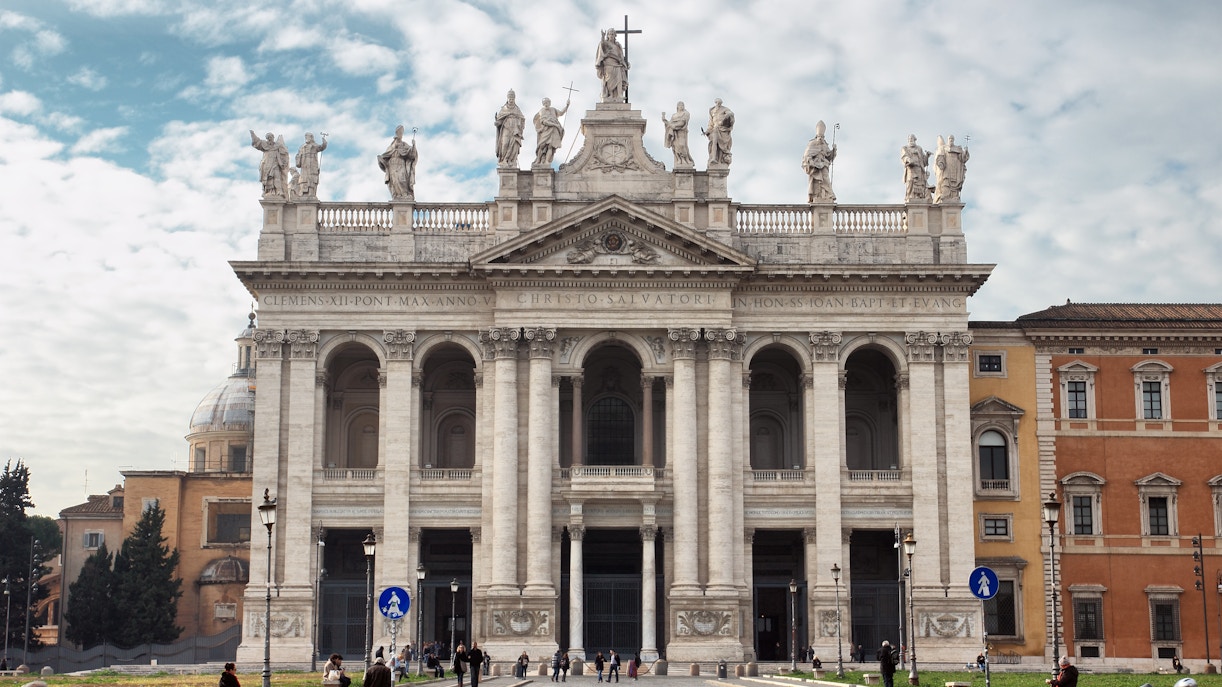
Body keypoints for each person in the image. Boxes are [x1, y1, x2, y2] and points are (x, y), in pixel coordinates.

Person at [379, 125, 418, 200]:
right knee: (394, 180)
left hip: (401, 164)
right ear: (396, 133)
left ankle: (405, 194)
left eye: (401, 132)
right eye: (399, 132)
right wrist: (381, 159)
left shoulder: (404, 144)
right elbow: (387, 154)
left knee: (402, 179)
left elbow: (412, 154)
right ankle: (397, 195)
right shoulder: (392, 145)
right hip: (392, 165)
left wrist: (414, 145)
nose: (400, 134)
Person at [802, 120, 837, 203]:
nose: (821, 138)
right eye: (819, 136)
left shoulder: (824, 144)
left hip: (823, 164)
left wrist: (834, 150)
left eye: (822, 136)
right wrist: (810, 161)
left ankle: (828, 194)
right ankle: (828, 194)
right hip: (815, 165)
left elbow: (829, 157)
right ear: (817, 136)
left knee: (825, 178)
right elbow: (807, 155)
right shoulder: (812, 143)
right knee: (818, 181)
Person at [250, 130, 289, 198]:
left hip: (275, 164)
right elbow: (257, 142)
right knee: (267, 178)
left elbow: (281, 154)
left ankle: (279, 191)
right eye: (268, 137)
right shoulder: (264, 144)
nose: (269, 138)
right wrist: (253, 134)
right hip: (266, 163)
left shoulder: (277, 146)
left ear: (273, 137)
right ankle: (268, 191)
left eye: (270, 137)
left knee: (277, 177)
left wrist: (282, 163)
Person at [533, 98, 571, 166]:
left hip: (555, 129)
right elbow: (544, 121)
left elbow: (561, 113)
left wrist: (567, 106)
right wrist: (555, 124)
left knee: (551, 146)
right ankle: (538, 160)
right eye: (544, 103)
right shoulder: (542, 110)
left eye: (547, 102)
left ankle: (547, 161)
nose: (546, 104)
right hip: (546, 129)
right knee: (542, 145)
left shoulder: (553, 109)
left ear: (550, 103)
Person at [595, 27, 628, 103]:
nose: (611, 35)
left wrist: (625, 63)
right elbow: (602, 46)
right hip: (608, 64)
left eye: (613, 34)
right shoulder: (606, 43)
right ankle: (610, 94)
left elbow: (621, 56)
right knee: (608, 80)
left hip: (618, 64)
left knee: (619, 79)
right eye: (610, 33)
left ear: (615, 35)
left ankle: (619, 95)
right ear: (608, 35)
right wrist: (602, 38)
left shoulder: (617, 45)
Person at [934, 134, 970, 203]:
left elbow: (963, 159)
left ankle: (954, 197)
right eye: (950, 139)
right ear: (948, 140)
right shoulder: (944, 148)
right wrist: (941, 163)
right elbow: (940, 157)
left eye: (952, 139)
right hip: (947, 168)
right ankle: (946, 196)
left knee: (955, 184)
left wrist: (965, 152)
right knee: (945, 182)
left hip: (956, 169)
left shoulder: (958, 149)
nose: (951, 140)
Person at [495, 90, 526, 167]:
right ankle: (503, 160)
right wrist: (497, 123)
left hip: (515, 130)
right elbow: (500, 119)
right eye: (510, 99)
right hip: (506, 128)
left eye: (512, 99)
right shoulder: (504, 109)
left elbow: (522, 119)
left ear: (514, 99)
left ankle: (510, 160)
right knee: (505, 144)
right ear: (507, 99)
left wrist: (520, 126)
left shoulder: (517, 109)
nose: (511, 100)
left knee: (513, 145)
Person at [295, 132, 328, 199]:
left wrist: (324, 143)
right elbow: (298, 155)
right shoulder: (302, 147)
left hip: (312, 165)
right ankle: (303, 193)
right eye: (306, 137)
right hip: (304, 166)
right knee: (304, 179)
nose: (306, 138)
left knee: (312, 179)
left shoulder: (314, 145)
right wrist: (298, 159)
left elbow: (321, 147)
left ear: (311, 138)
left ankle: (311, 193)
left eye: (308, 137)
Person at [662, 102, 693, 167]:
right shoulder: (674, 115)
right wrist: (664, 120)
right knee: (675, 145)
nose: (681, 106)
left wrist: (674, 126)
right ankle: (679, 159)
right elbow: (669, 124)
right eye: (680, 105)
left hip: (681, 131)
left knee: (682, 145)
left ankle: (685, 159)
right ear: (677, 107)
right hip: (674, 132)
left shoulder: (686, 113)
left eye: (682, 105)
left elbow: (683, 122)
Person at [704, 98, 734, 165]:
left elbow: (730, 114)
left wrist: (725, 118)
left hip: (723, 129)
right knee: (714, 142)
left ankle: (719, 160)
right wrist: (707, 131)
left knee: (720, 146)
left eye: (720, 103)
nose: (718, 104)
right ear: (715, 103)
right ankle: (713, 158)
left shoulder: (724, 109)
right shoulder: (712, 110)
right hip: (715, 129)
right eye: (717, 102)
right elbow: (711, 123)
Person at [901, 134, 930, 202]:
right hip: (911, 169)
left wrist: (927, 156)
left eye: (912, 138)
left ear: (915, 139)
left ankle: (918, 197)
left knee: (919, 184)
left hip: (919, 169)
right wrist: (909, 160)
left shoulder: (919, 148)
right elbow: (904, 156)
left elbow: (924, 162)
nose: (910, 139)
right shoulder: (905, 148)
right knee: (910, 182)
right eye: (909, 138)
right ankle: (909, 197)